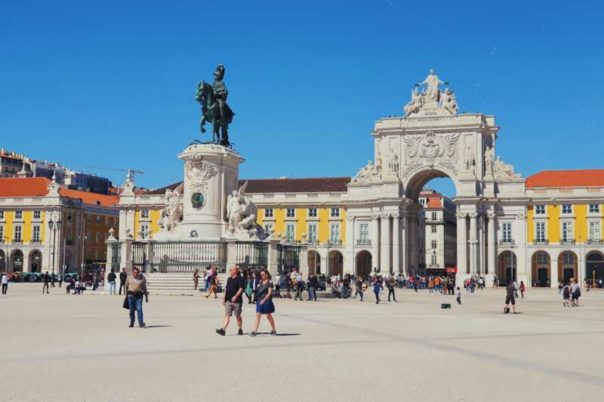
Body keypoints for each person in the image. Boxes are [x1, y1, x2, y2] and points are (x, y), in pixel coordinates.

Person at [216, 266, 245, 336]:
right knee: (227, 315)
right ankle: (223, 329)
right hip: (228, 301)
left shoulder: (240, 279)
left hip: (237, 301)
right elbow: (226, 289)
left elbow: (241, 289)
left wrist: (236, 296)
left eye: (231, 270)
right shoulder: (229, 279)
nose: (230, 271)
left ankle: (240, 329)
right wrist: (224, 298)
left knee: (238, 316)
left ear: (235, 271)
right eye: (230, 270)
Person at [250, 269, 276, 336]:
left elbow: (269, 293)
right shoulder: (260, 281)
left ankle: (274, 330)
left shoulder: (270, 282)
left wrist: (264, 300)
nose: (261, 276)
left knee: (268, 316)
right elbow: (257, 290)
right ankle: (254, 331)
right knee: (258, 315)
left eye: (262, 274)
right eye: (260, 275)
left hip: (267, 301)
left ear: (266, 274)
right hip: (259, 300)